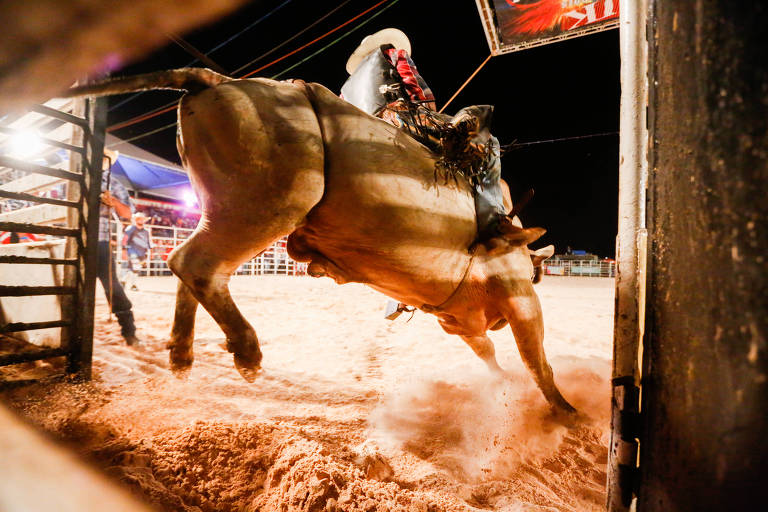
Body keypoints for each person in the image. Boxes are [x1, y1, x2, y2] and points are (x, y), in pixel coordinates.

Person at [340, 28, 510, 246]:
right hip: (401, 119)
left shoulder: (346, 89)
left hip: (361, 137)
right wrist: (429, 113)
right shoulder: (392, 53)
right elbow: (418, 90)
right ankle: (493, 225)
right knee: (487, 142)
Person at [99, 170, 140, 346]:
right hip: (75, 238)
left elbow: (128, 214)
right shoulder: (70, 175)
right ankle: (129, 331)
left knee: (112, 284)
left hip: (100, 239)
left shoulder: (111, 182)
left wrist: (112, 201)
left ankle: (128, 330)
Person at [121, 211, 152, 291]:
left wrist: (149, 252)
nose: (140, 220)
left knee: (134, 269)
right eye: (139, 219)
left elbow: (148, 242)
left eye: (142, 219)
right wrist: (124, 250)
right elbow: (125, 239)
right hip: (132, 251)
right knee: (135, 267)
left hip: (141, 252)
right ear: (136, 220)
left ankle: (123, 281)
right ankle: (133, 285)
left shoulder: (146, 231)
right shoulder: (131, 229)